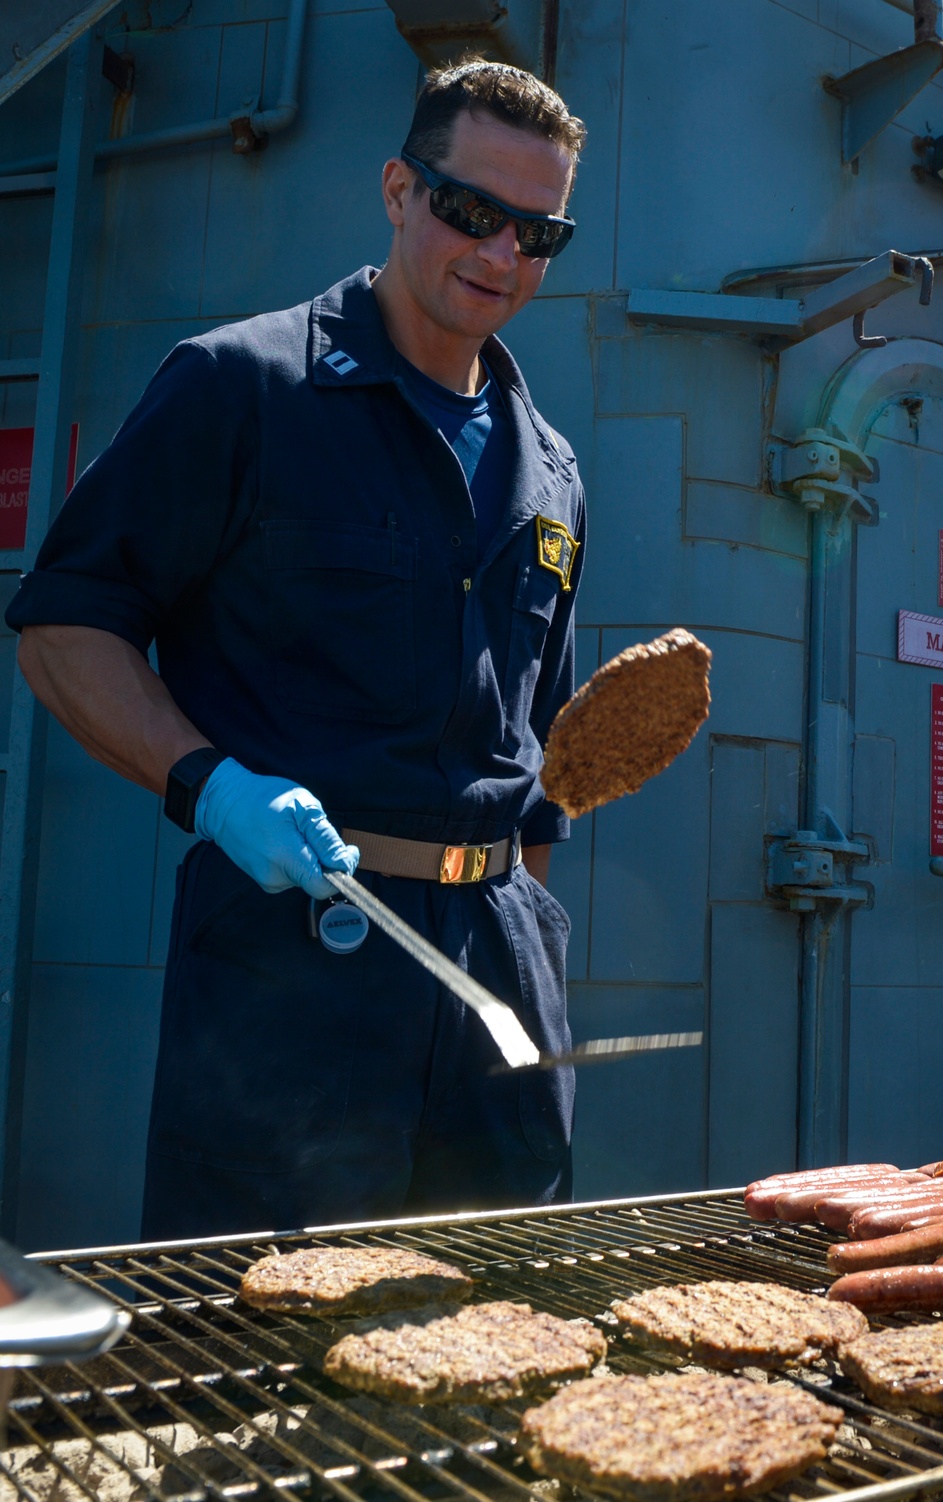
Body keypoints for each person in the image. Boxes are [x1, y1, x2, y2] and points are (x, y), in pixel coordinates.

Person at [5, 59, 587, 1240]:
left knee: (499, 1328)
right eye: (471, 211)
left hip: (498, 978)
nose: (499, 253)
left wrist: (530, 920)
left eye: (538, 232)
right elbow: (65, 624)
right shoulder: (242, 386)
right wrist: (211, 789)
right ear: (396, 189)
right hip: (299, 954)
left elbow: (537, 751)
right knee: (259, 1346)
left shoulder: (554, 469)